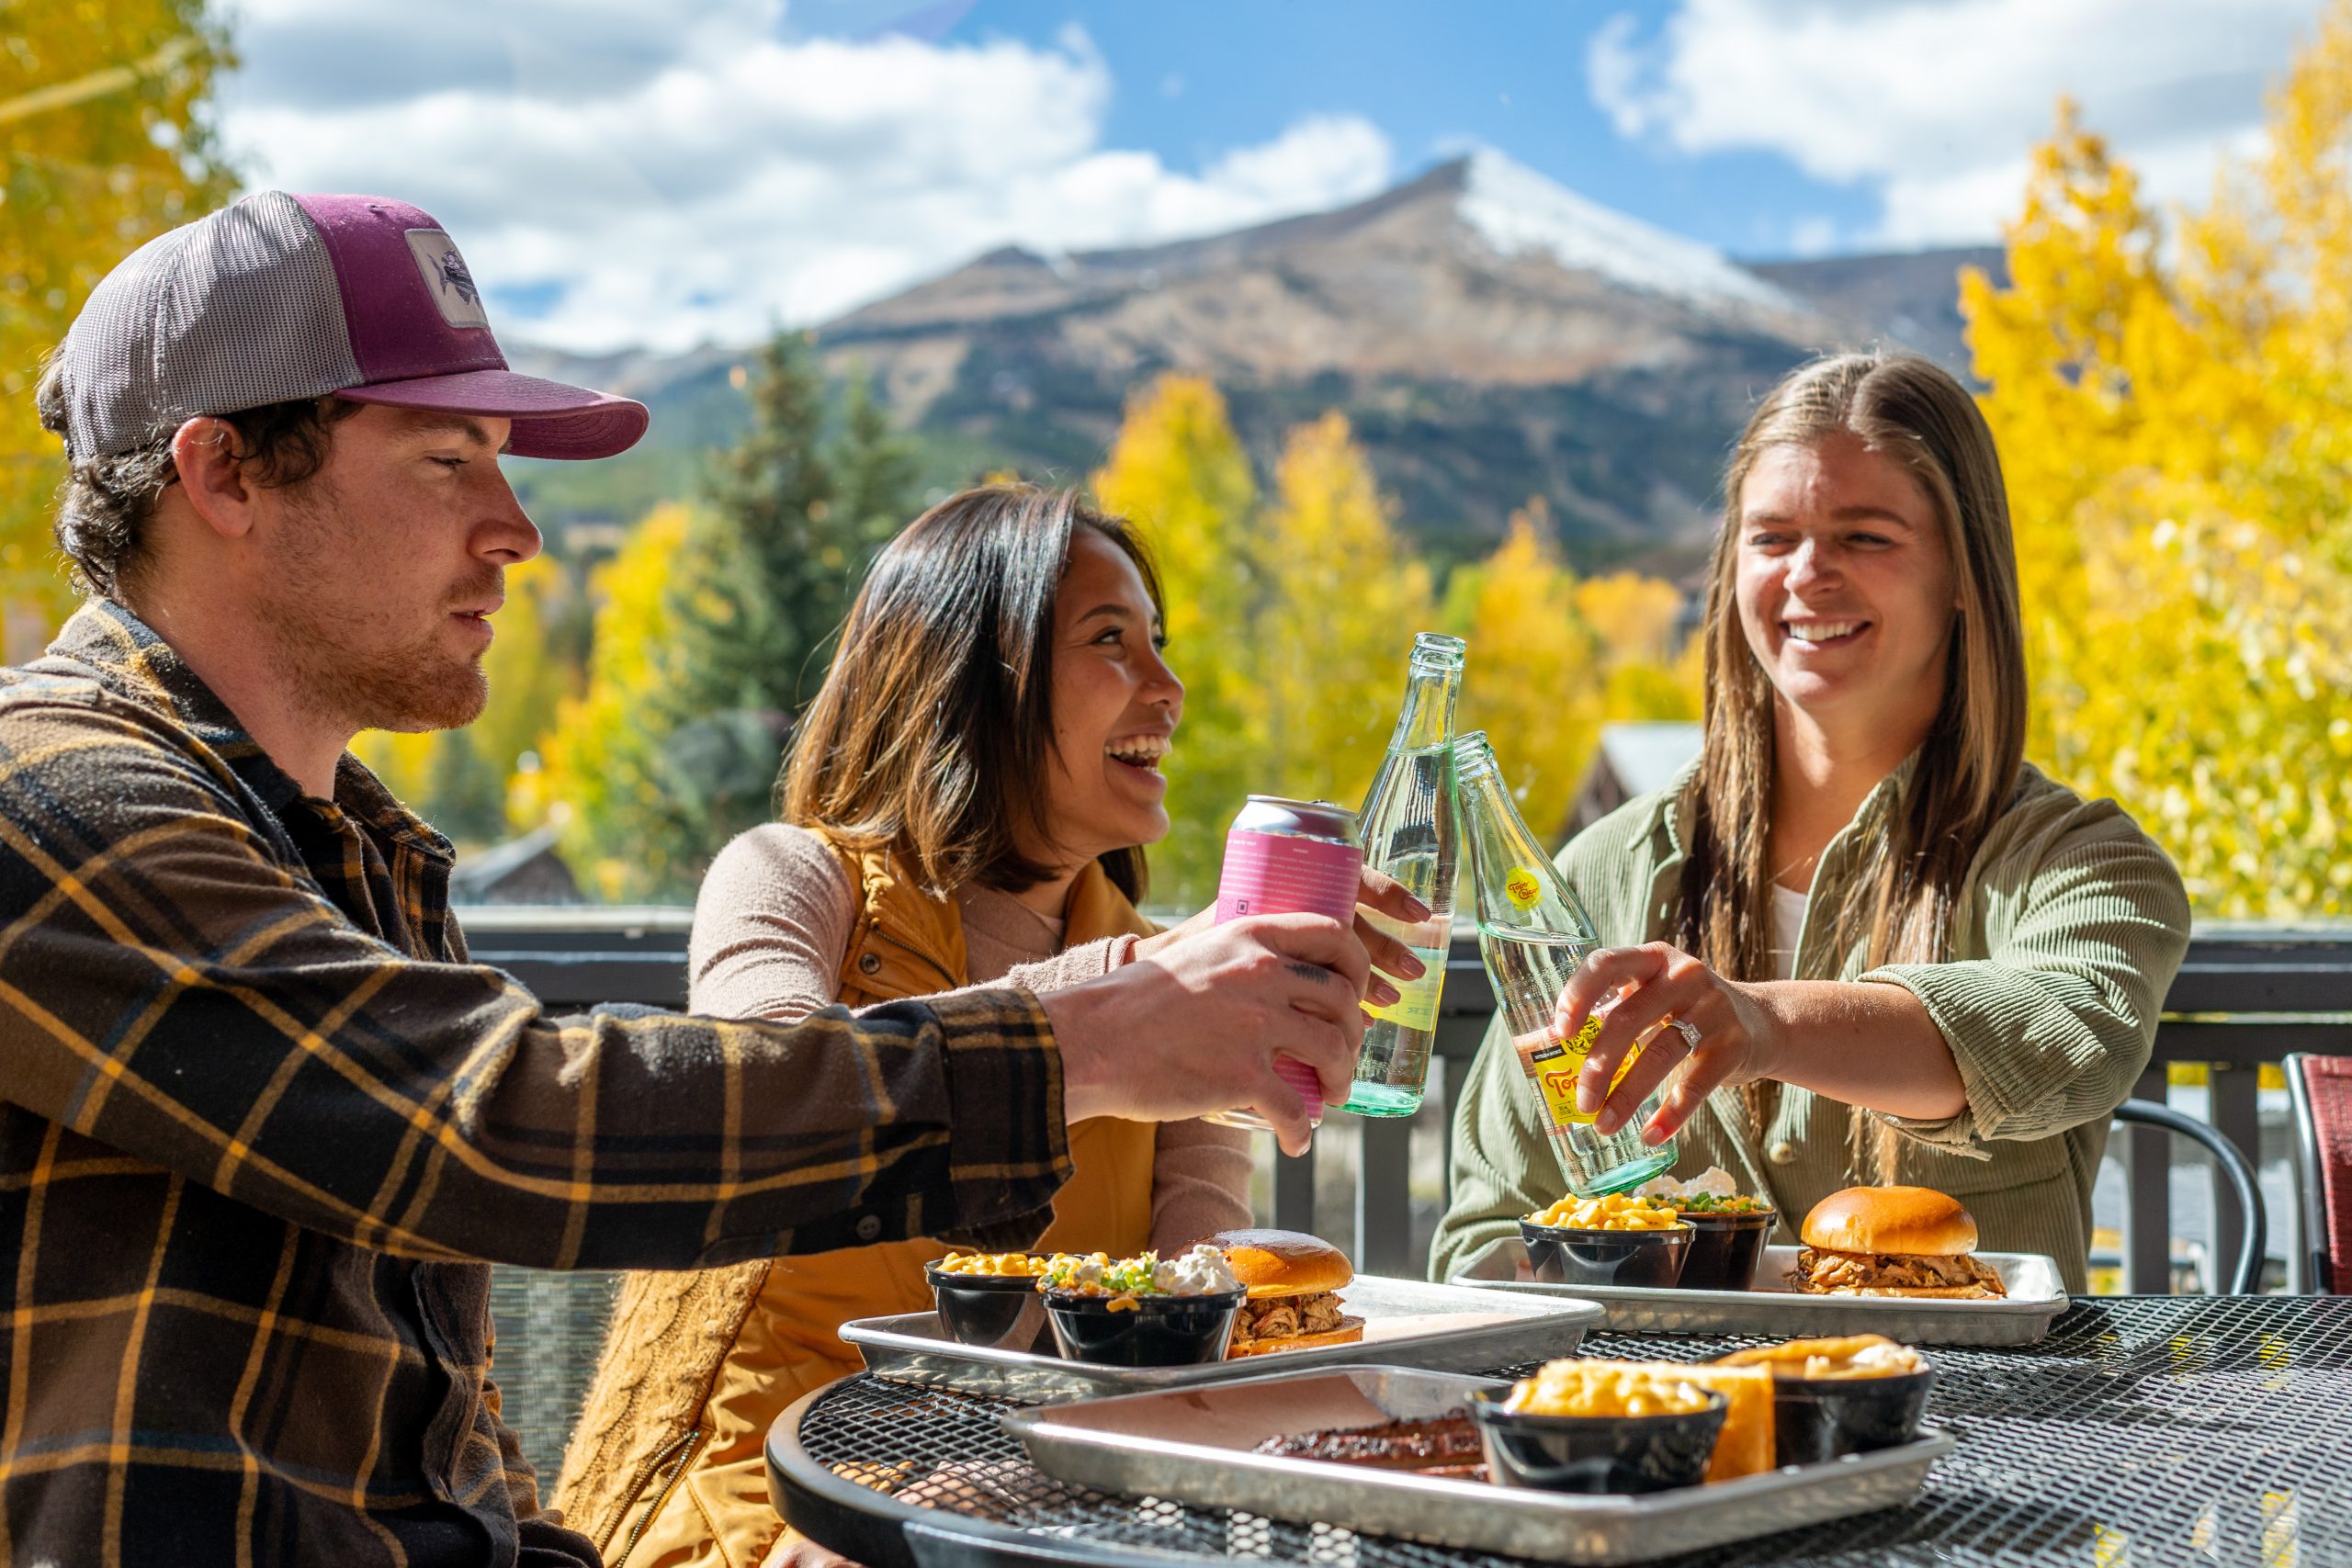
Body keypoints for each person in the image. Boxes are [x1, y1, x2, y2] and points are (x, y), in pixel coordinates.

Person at [0, 191, 1406, 1568]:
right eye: (448, 461)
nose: (518, 525)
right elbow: (498, 1127)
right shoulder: (47, 798)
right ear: (224, 473)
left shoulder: (361, 851)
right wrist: (1087, 1032)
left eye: (505, 461)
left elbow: (440, 1416)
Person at [560, 485, 1309, 1567]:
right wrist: (1121, 993)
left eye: (1161, 644)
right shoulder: (790, 879)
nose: (1169, 688)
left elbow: (1185, 1324)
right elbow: (765, 1090)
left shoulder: (1166, 977)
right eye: (1112, 642)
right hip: (756, 1510)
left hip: (1028, 1504)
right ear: (973, 677)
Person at [1430, 351, 2191, 1292]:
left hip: (1998, 1430)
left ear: (1962, 572)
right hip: (1678, 1427)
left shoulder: (2082, 864)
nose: (1808, 575)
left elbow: (2068, 1036)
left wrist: (1757, 1022)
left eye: (1864, 537)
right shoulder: (1599, 878)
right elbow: (1485, 1239)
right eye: (1772, 537)